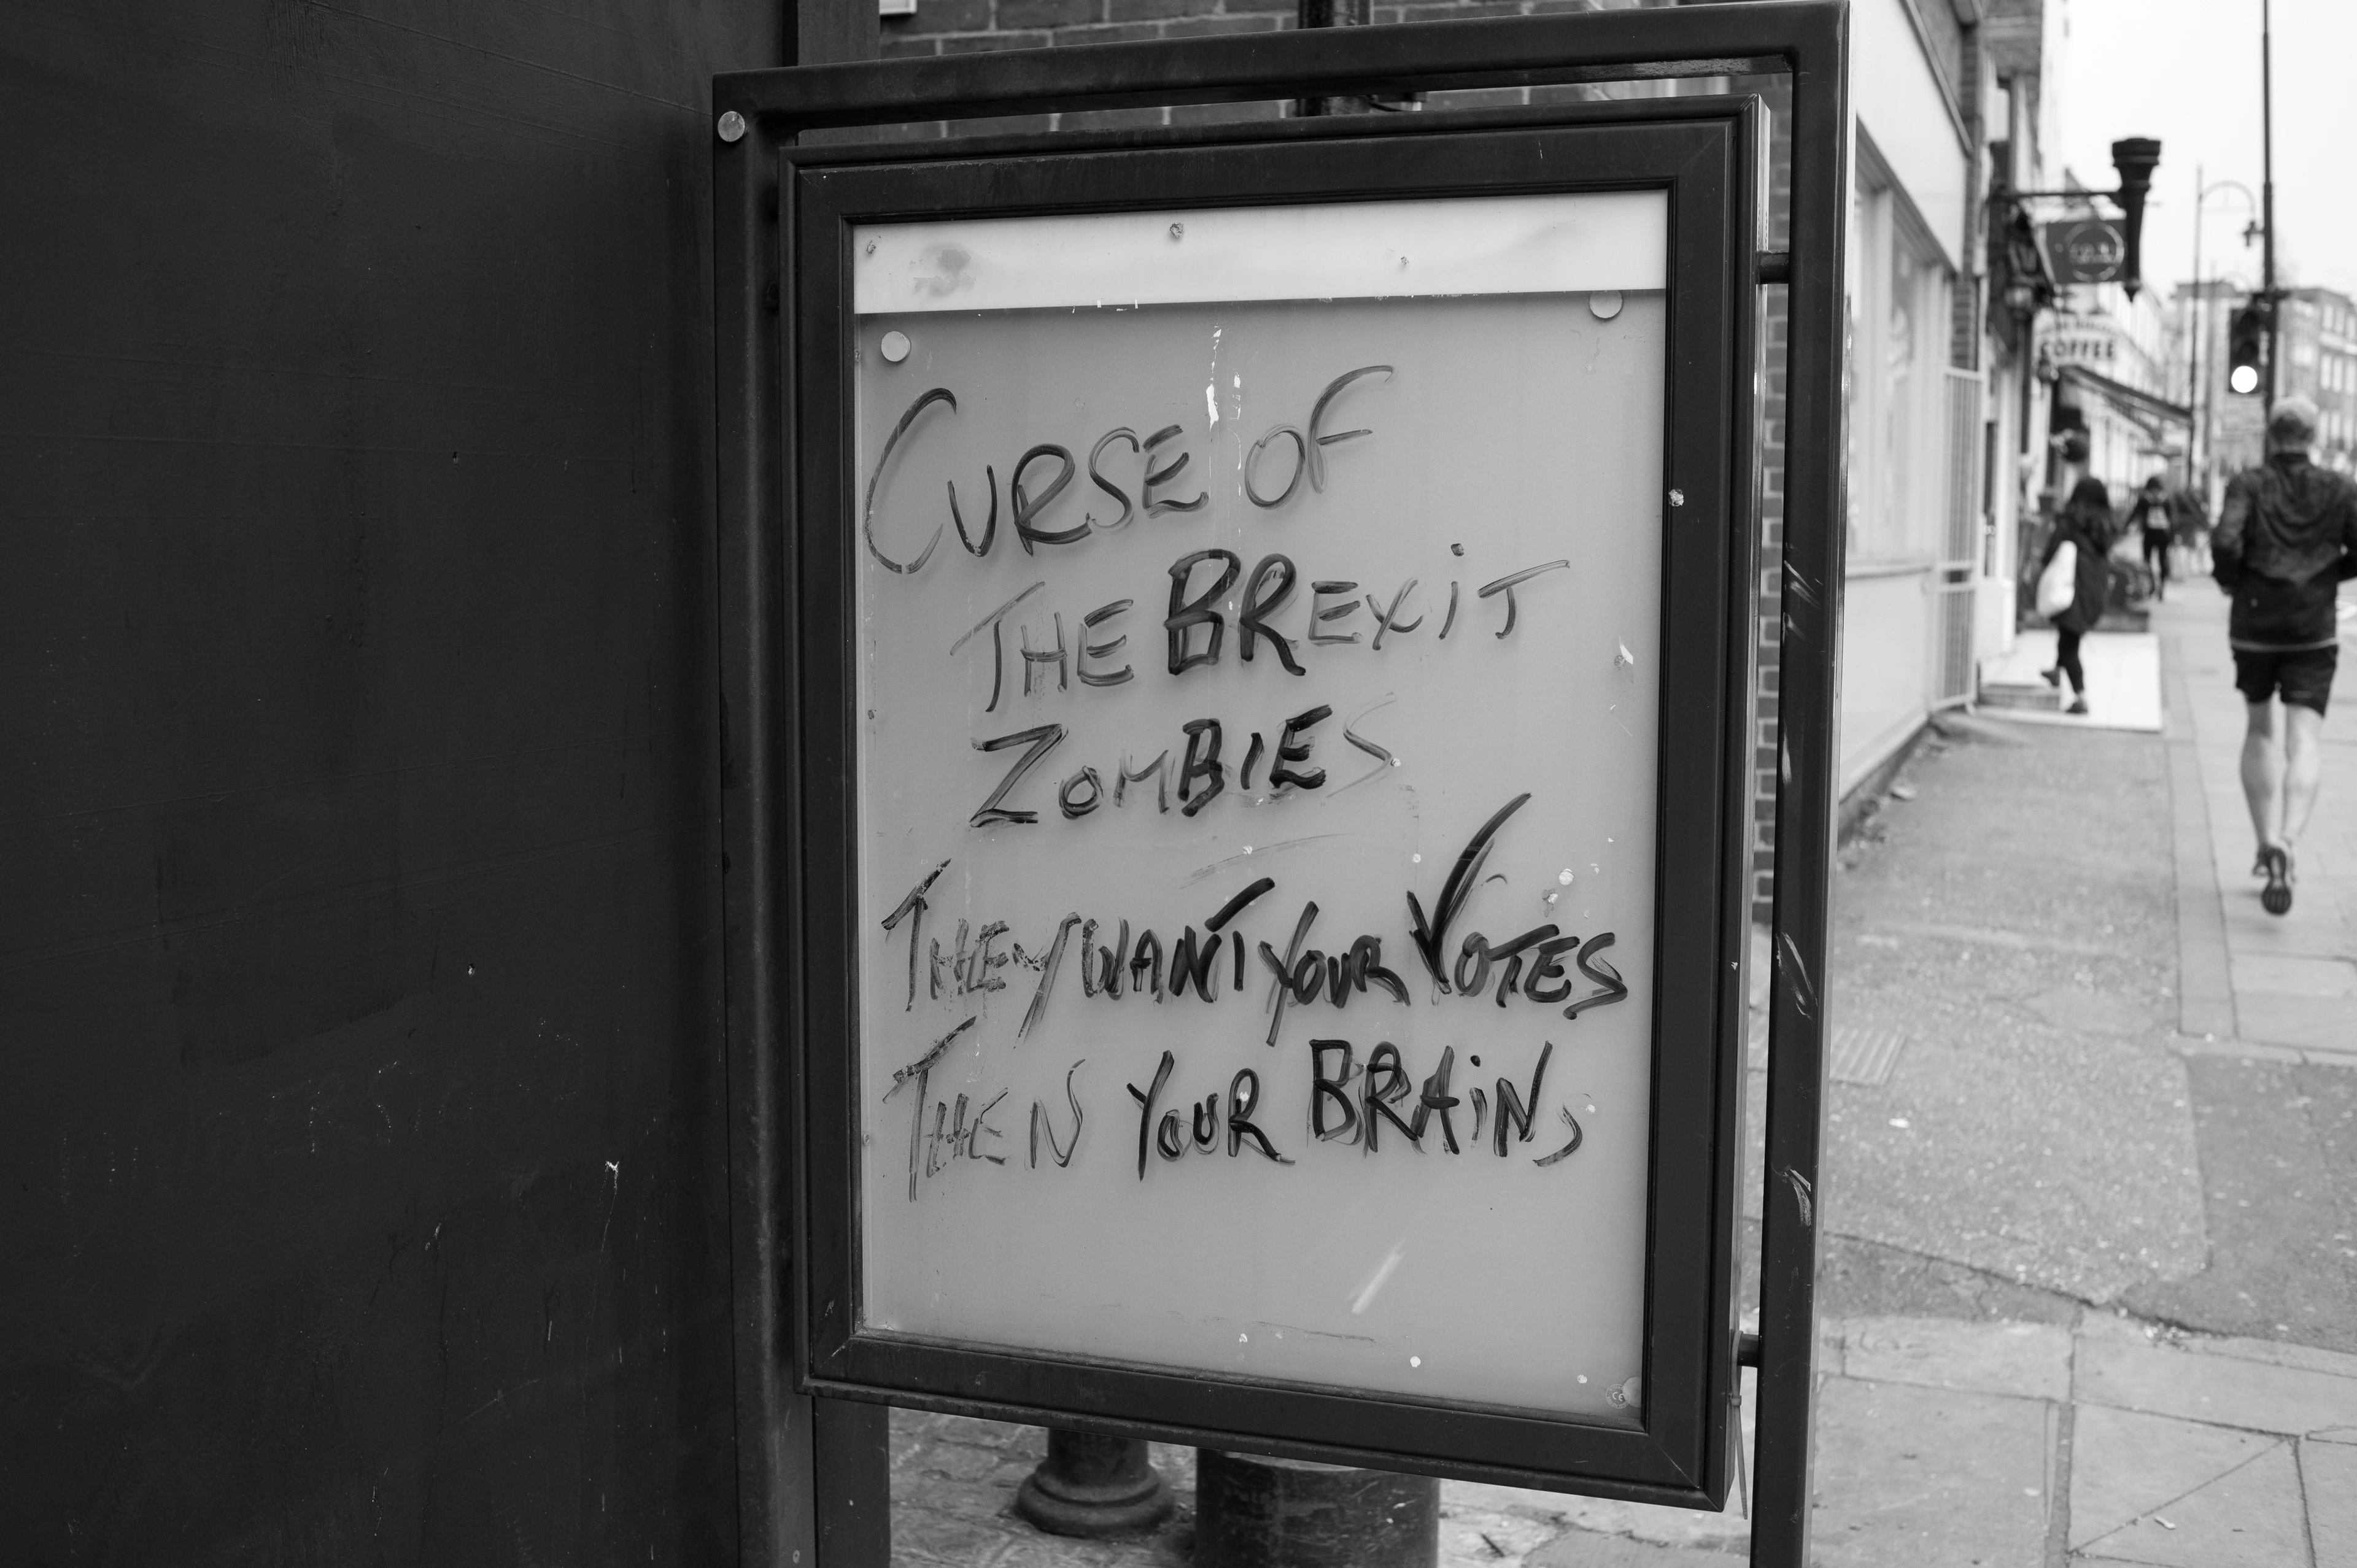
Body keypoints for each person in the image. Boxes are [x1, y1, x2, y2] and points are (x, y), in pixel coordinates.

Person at [2210, 395, 2357, 916]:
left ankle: (2264, 841)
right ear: (2312, 437)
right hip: (2312, 627)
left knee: (2259, 729)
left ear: (2271, 436)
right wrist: (2326, 576)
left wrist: (2235, 582)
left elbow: (2226, 542)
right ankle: (2289, 840)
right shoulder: (2340, 488)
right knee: (2305, 740)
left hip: (2255, 624)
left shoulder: (2249, 484)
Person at [2038, 477, 2115, 716]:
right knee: (2069, 634)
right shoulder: (2106, 524)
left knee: (2069, 643)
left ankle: (2081, 698)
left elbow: (2050, 552)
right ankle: (2056, 670)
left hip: (2072, 585)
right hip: (2095, 586)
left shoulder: (2071, 521)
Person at [2127, 474, 2172, 598]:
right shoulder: (2166, 499)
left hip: (2149, 534)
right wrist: (2173, 535)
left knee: (2147, 560)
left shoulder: (2144, 499)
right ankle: (2162, 586)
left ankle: (2152, 584)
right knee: (2162, 560)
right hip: (2163, 535)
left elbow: (2135, 514)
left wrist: (2125, 527)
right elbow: (2172, 518)